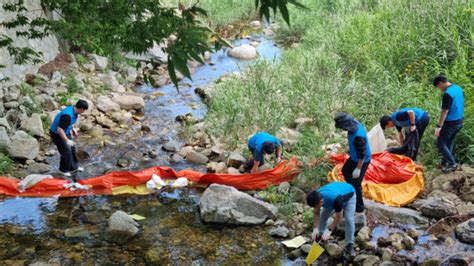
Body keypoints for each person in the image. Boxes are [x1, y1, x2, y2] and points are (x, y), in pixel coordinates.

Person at [307, 182, 356, 257]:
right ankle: (320, 236)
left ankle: (349, 244)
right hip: (335, 194)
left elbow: (339, 217)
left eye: (316, 206)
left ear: (321, 202)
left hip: (349, 195)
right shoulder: (316, 196)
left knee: (349, 220)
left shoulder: (336, 200)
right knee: (323, 215)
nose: (315, 208)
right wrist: (315, 228)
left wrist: (329, 230)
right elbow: (316, 213)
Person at [334, 113, 371, 214]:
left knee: (356, 183)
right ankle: (351, 191)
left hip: (362, 160)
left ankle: (359, 207)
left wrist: (358, 169)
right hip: (354, 157)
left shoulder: (358, 135)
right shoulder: (354, 124)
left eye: (342, 127)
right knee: (345, 171)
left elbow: (362, 155)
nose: (342, 129)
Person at [433, 74, 464, 173]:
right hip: (459, 120)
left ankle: (452, 163)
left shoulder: (447, 94)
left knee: (440, 143)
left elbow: (445, 111)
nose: (439, 89)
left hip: (451, 122)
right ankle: (445, 162)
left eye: (438, 87)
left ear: (440, 83)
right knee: (449, 142)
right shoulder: (457, 88)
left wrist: (439, 126)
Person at [50, 100, 89, 177]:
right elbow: (59, 129)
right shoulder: (67, 116)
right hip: (57, 134)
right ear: (81, 109)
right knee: (66, 151)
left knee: (72, 149)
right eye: (84, 110)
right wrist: (67, 140)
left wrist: (72, 128)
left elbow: (69, 123)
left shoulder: (74, 110)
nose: (83, 112)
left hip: (65, 131)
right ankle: (62, 170)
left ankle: (74, 168)